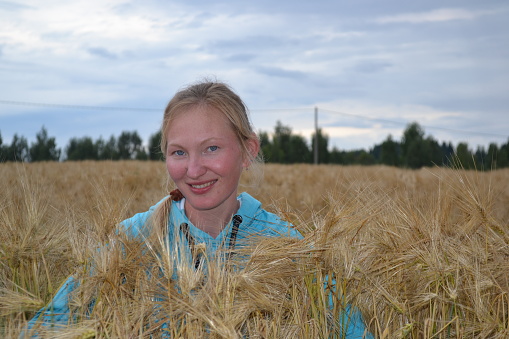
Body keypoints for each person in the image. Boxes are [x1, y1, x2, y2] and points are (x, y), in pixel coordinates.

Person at [26, 80, 372, 338]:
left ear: (248, 151)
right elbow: (48, 324)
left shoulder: (288, 247)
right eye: (179, 152)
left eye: (211, 149)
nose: (192, 170)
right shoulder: (133, 240)